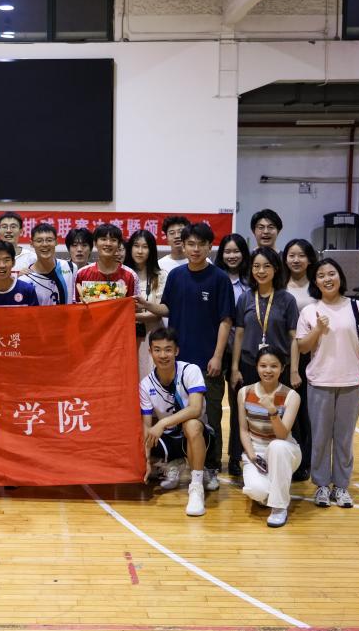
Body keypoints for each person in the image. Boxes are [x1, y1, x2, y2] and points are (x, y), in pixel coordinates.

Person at [142, 222, 234, 492]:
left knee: (210, 418)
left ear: (209, 247)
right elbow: (167, 308)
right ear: (183, 246)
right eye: (190, 244)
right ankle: (176, 463)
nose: (195, 249)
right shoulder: (176, 275)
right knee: (175, 416)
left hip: (207, 362)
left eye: (200, 244)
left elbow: (226, 321)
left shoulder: (219, 278)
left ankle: (210, 467)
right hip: (176, 363)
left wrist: (217, 356)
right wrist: (146, 304)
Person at [296, 258, 359, 509]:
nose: (327, 279)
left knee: (344, 438)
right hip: (319, 382)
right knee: (321, 437)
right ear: (315, 282)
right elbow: (303, 347)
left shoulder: (357, 307)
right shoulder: (309, 311)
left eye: (331, 273)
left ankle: (342, 486)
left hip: (351, 382)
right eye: (321, 275)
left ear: (340, 277)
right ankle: (322, 485)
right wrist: (317, 329)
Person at [230, 246, 300, 471]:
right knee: (243, 413)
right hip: (250, 364)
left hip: (277, 367)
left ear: (276, 269)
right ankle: (239, 458)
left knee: (279, 413)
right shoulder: (245, 298)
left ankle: (282, 460)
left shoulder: (287, 299)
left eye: (266, 266)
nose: (261, 271)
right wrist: (234, 367)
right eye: (256, 266)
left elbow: (294, 338)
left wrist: (294, 370)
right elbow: (239, 334)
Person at [140, 328, 213, 517]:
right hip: (170, 439)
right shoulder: (146, 384)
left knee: (191, 425)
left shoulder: (190, 370)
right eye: (157, 350)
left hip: (198, 435)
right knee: (142, 438)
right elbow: (146, 426)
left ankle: (196, 486)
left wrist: (162, 423)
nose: (163, 355)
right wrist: (145, 460)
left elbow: (195, 409)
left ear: (176, 351)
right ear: (150, 352)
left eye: (168, 349)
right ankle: (174, 463)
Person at [236, 346, 301, 528]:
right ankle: (276, 488)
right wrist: (252, 456)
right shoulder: (244, 392)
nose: (268, 370)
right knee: (256, 491)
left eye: (274, 366)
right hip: (256, 452)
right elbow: (243, 430)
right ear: (256, 367)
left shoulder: (291, 396)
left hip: (285, 450)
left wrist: (272, 411)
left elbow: (282, 435)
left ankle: (279, 508)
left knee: (276, 446)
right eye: (263, 365)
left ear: (282, 368)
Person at [283, 238, 319, 480]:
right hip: (283, 355)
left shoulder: (318, 286)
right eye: (292, 255)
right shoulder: (279, 285)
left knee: (306, 411)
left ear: (309, 259)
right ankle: (288, 457)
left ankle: (306, 461)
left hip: (312, 355)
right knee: (287, 409)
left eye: (301, 255)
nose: (296, 260)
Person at [217, 233, 251, 475]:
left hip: (243, 353)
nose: (232, 256)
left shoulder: (251, 281)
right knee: (212, 406)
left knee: (240, 406)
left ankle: (237, 456)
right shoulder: (215, 278)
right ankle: (211, 458)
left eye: (236, 251)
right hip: (217, 351)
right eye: (227, 251)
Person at [125, 229, 165, 379]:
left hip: (151, 336)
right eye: (136, 246)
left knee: (149, 378)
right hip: (126, 337)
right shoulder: (123, 274)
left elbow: (158, 313)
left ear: (151, 250)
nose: (140, 251)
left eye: (145, 247)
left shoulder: (160, 276)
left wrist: (128, 316)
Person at [76, 224, 137, 302]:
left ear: (119, 244)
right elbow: (74, 304)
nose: (108, 243)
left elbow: (134, 306)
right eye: (103, 239)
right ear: (95, 243)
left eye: (113, 240)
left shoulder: (130, 275)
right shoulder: (81, 274)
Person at [21, 222, 75, 306]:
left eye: (49, 240)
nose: (45, 244)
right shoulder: (25, 279)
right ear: (31, 244)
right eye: (39, 241)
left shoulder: (70, 267)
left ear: (56, 242)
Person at [0, 212, 36, 280]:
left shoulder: (32, 258)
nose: (8, 230)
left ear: (21, 231)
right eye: (4, 227)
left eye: (13, 227)